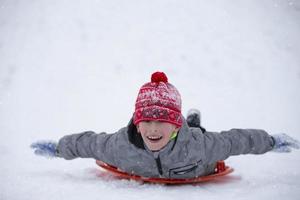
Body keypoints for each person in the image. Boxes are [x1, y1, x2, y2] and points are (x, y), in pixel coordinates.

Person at [31, 71, 300, 179]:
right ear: (137, 124)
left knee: (199, 132)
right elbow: (90, 143)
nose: (153, 129)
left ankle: (193, 122)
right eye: (146, 121)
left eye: (162, 121)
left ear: (174, 124)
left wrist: (271, 141)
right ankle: (192, 121)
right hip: (181, 135)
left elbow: (235, 140)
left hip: (191, 142)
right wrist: (59, 148)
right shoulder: (121, 146)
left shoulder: (198, 146)